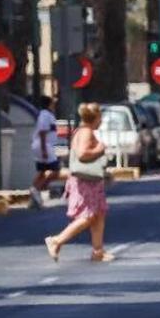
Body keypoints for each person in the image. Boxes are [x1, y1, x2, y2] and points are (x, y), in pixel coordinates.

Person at [45, 103, 113, 262]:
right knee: (88, 216)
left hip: (91, 180)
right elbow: (82, 154)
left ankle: (98, 251)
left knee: (99, 214)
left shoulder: (83, 131)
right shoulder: (86, 132)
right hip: (85, 181)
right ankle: (56, 240)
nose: (101, 121)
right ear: (94, 118)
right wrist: (100, 149)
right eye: (100, 117)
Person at [30, 96, 60, 209]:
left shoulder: (48, 115)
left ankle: (35, 194)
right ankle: (37, 189)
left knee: (42, 171)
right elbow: (42, 132)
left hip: (47, 145)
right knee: (55, 171)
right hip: (44, 145)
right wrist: (44, 150)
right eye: (52, 103)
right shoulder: (45, 115)